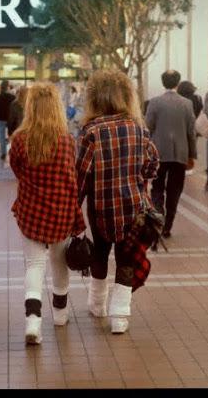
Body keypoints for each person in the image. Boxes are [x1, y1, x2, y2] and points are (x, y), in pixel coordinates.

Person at [77, 69, 160, 334]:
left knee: (100, 253)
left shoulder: (91, 132)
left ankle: (97, 305)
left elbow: (81, 175)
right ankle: (120, 317)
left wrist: (74, 210)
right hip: (133, 208)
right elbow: (152, 166)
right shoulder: (138, 129)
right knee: (126, 259)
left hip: (100, 208)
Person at [9, 82, 85, 345]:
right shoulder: (66, 140)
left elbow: (16, 170)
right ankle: (61, 314)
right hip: (61, 210)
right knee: (58, 262)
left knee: (34, 265)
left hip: (31, 210)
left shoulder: (19, 139)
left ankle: (33, 322)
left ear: (29, 107)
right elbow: (70, 179)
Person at [145, 70, 197, 238]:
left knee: (157, 188)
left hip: (158, 153)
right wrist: (192, 155)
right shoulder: (187, 104)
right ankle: (168, 226)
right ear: (177, 83)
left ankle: (158, 219)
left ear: (163, 82)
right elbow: (191, 132)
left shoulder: (154, 102)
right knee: (175, 190)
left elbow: (148, 128)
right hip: (180, 154)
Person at [0, 80, 15, 160]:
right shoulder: (13, 97)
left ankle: (3, 153)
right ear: (8, 87)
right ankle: (13, 153)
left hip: (1, 119)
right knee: (12, 136)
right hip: (10, 119)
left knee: (2, 137)